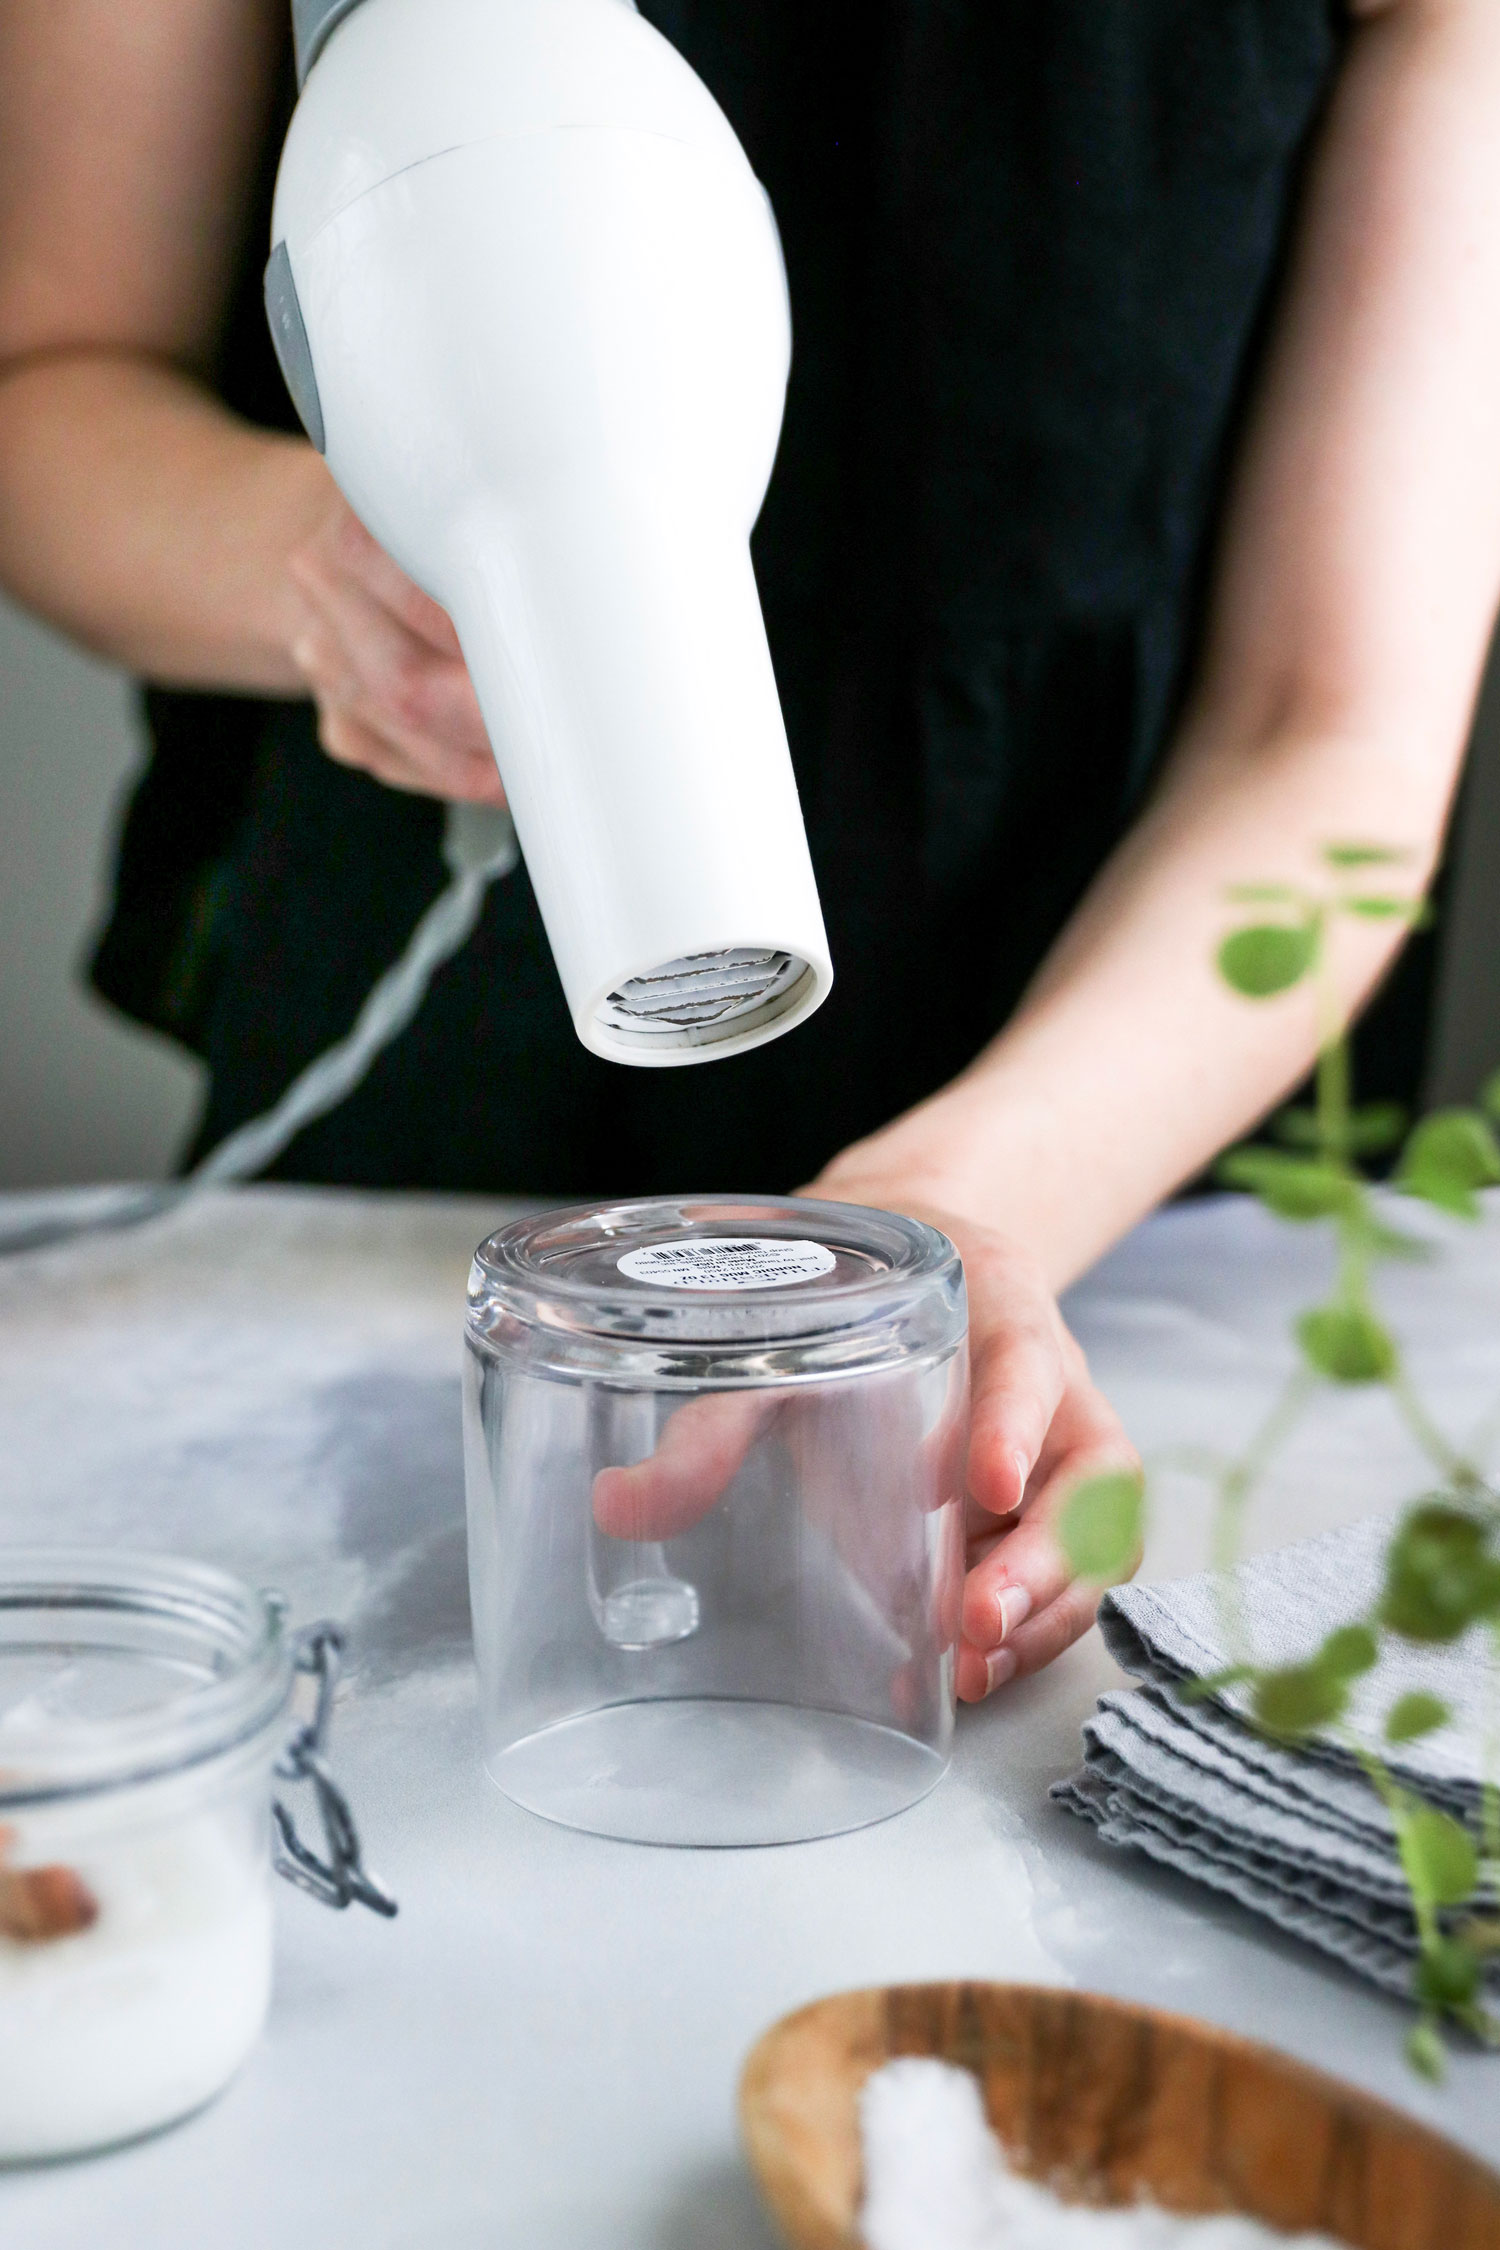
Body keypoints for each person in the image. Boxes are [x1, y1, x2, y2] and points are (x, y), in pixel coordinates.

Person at [2, 0, 1498, 1707]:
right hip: (430, 1126)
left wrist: (946, 1221)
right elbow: (44, 384)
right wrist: (315, 569)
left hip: (1113, 1140)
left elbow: (1335, 732)